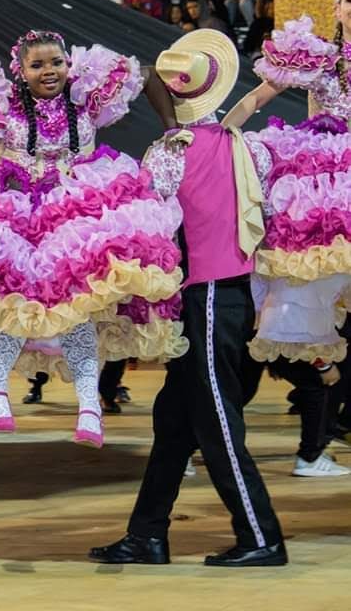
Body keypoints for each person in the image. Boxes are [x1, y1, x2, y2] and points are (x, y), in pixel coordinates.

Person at [0, 31, 183, 448]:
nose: (49, 71)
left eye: (56, 63)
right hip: (16, 214)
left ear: (69, 63)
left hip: (77, 213)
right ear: (21, 70)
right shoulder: (0, 106)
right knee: (18, 303)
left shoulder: (88, 96)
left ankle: (89, 403)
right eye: (38, 65)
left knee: (78, 309)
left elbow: (148, 73)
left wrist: (172, 128)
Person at [91, 29, 287, 568]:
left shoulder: (168, 154)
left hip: (202, 297)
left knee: (217, 421)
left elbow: (150, 226)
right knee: (173, 420)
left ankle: (261, 536)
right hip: (235, 294)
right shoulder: (251, 148)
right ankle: (147, 534)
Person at [223, 0, 351, 370]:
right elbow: (260, 96)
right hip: (325, 176)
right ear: (337, 8)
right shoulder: (320, 57)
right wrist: (220, 130)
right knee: (316, 274)